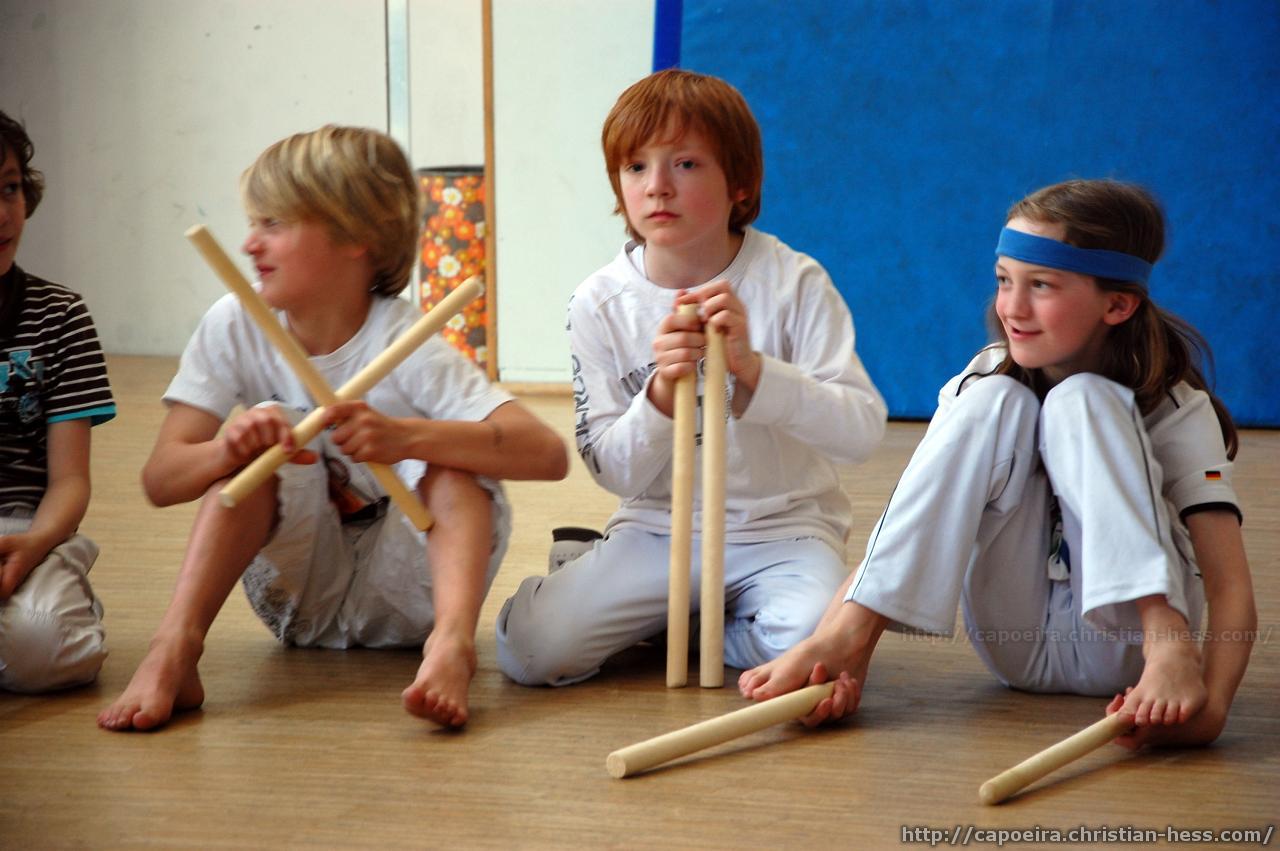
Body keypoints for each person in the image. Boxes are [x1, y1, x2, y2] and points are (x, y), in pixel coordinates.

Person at [740, 179, 1255, 748]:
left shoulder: (1179, 408)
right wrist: (834, 642)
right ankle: (853, 641)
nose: (1011, 307)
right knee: (993, 397)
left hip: (1126, 648)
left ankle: (1167, 642)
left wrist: (1212, 710)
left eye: (1042, 284)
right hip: (1016, 645)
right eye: (1004, 280)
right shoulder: (985, 378)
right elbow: (910, 521)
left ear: (1117, 304)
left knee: (1084, 399)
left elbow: (1230, 585)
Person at [98, 125, 567, 731]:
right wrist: (226, 451)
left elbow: (547, 454)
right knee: (268, 433)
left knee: (452, 455)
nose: (249, 244)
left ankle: (452, 646)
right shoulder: (234, 324)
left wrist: (405, 438)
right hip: (299, 597)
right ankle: (175, 648)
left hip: (413, 596)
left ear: (355, 236)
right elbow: (161, 481)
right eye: (253, 223)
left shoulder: (405, 341)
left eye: (274, 224)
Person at [495, 70, 887, 686]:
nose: (657, 186)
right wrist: (658, 397)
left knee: (815, 650)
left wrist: (755, 372)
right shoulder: (599, 302)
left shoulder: (796, 282)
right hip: (657, 529)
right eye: (635, 167)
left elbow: (860, 433)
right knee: (531, 652)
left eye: (685, 164)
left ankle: (688, 626)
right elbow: (612, 472)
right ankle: (609, 582)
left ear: (741, 183)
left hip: (783, 530)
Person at [0, 110, 116, 693]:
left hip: (25, 529)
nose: (3, 214)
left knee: (45, 648)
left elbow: (70, 480)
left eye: (9, 189)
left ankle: (60, 594)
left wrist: (33, 546)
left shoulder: (60, 315)